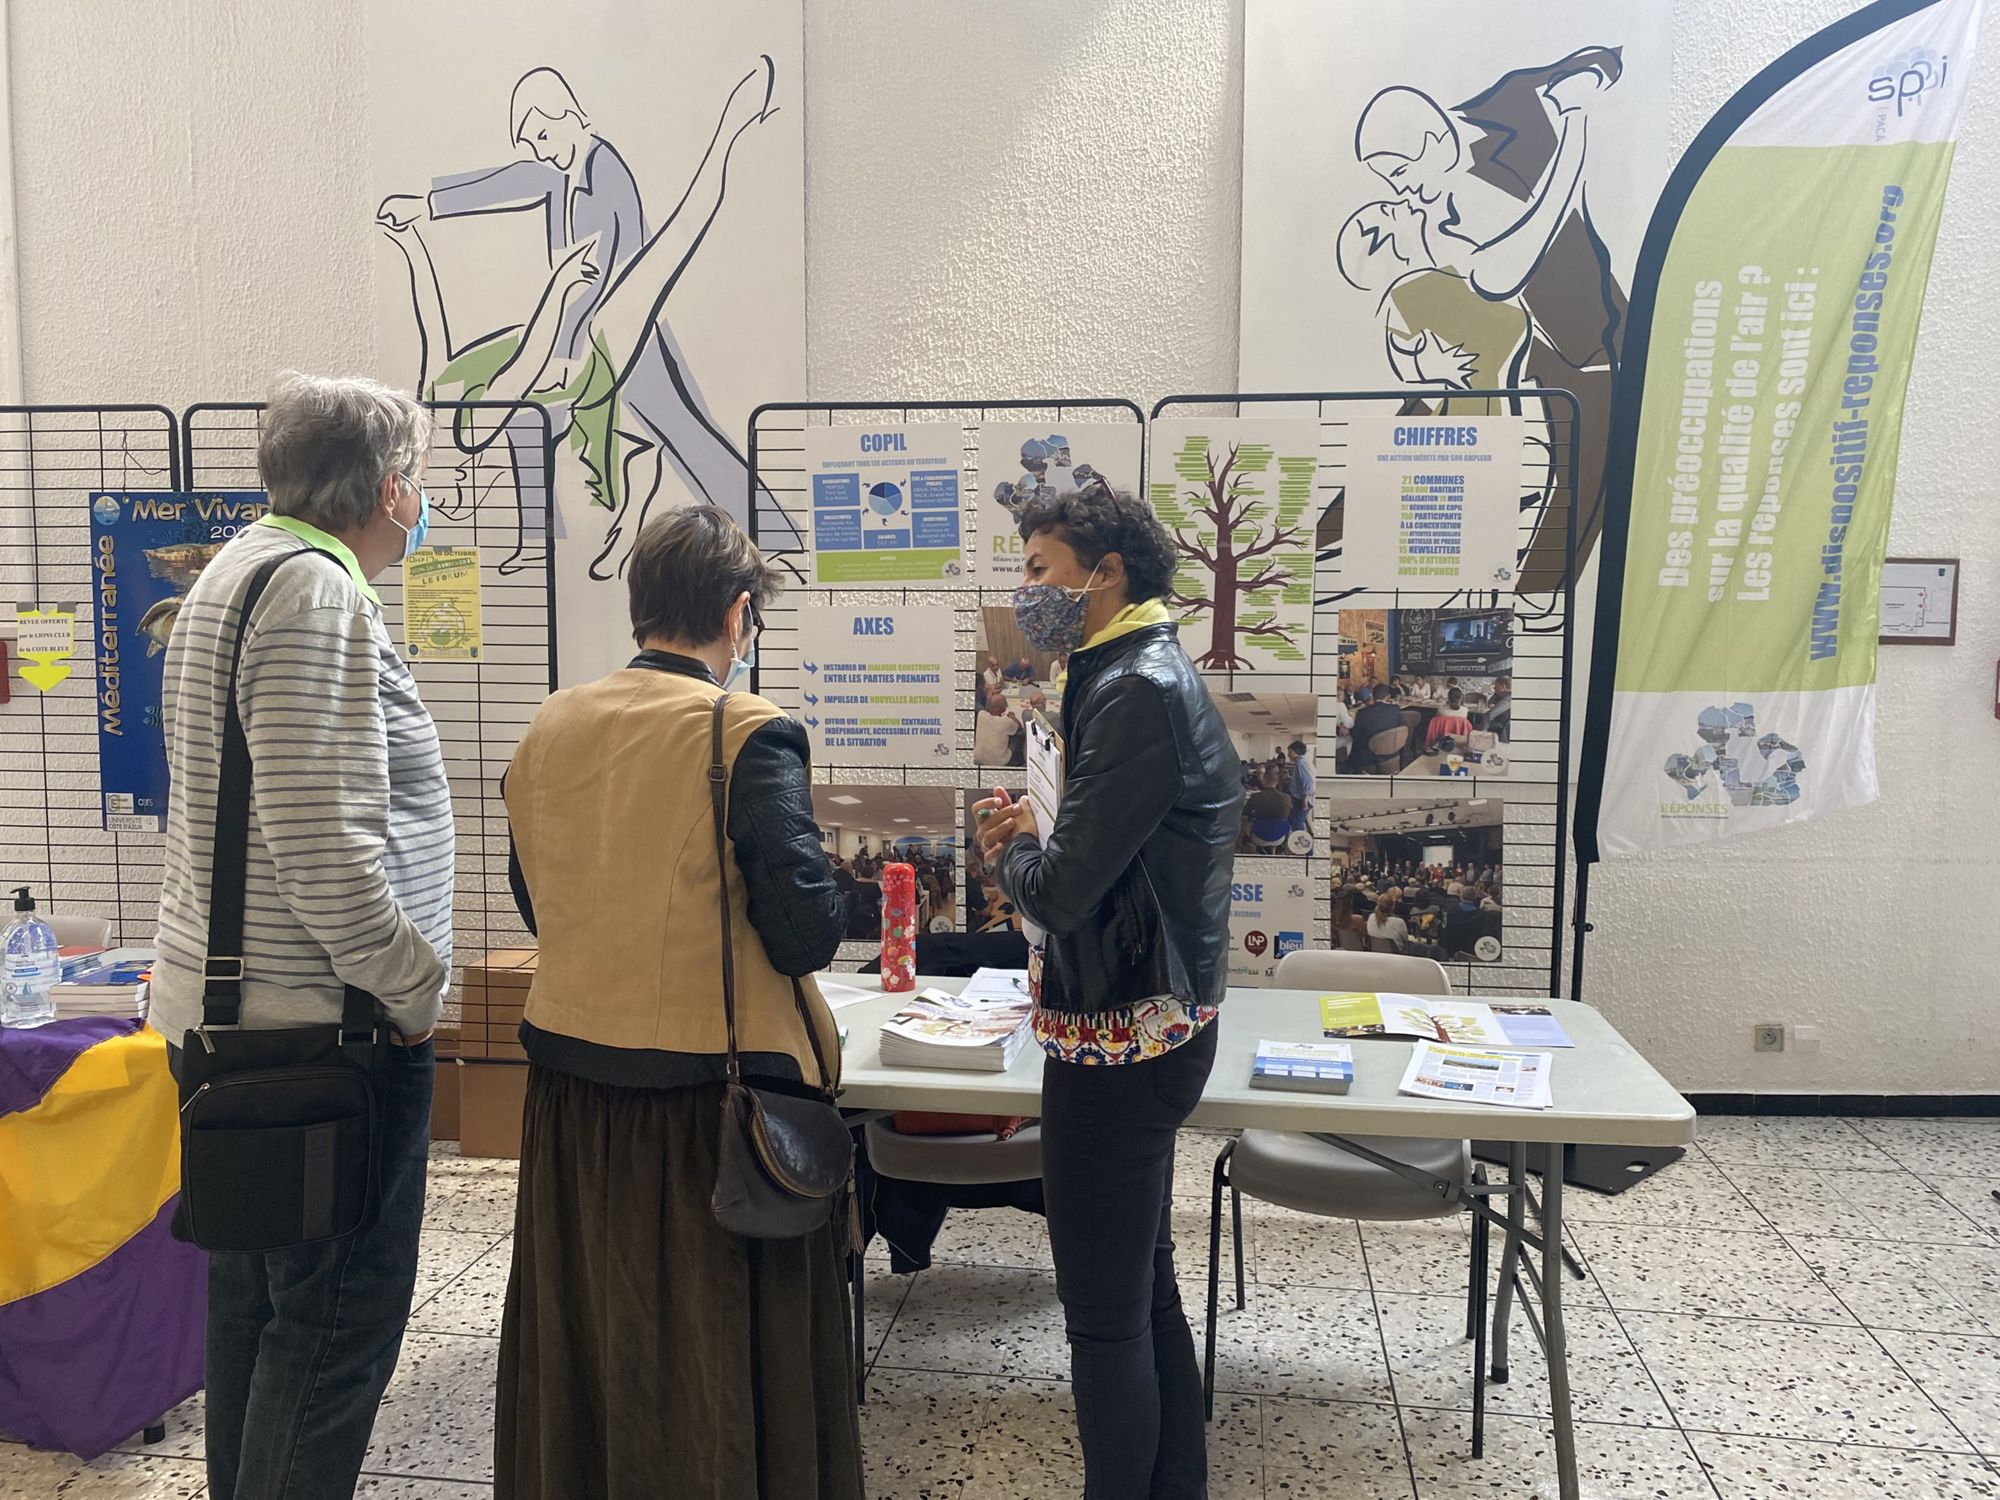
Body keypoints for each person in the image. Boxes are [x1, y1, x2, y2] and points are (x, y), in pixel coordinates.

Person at [496, 506, 860, 1498]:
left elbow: (539, 898)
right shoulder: (747, 732)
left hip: (572, 1093)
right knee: (713, 1353)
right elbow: (801, 932)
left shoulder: (552, 723)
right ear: (738, 614)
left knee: (596, 1334)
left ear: (640, 604)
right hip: (713, 1109)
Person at [151, 373, 452, 1500]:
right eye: (416, 478)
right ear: (385, 485)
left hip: (238, 1026)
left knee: (260, 1315)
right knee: (332, 1329)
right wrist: (411, 987)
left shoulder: (235, 570)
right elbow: (324, 847)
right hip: (324, 1036)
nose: (419, 503)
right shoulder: (315, 594)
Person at [975, 486, 1241, 1500]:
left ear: (1106, 573)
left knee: (1100, 1317)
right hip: (1144, 1022)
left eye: (1039, 569)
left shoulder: (1131, 687)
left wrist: (1015, 853)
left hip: (1118, 1041)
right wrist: (1041, 842)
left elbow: (1070, 889)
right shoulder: (1127, 670)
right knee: (1142, 1292)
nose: (1026, 591)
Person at [1349, 689, 1408, 774]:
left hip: (1370, 755)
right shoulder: (1395, 709)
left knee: (1356, 744)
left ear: (1372, 697)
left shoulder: (1362, 712)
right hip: (1393, 749)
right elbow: (1404, 727)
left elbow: (1355, 735)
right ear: (1387, 697)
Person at [974, 689, 1024, 766]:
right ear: (1001, 708)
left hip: (977, 758)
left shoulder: (981, 715)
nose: (1006, 707)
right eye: (1005, 706)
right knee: (1019, 736)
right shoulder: (1006, 722)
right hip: (998, 762)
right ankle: (1017, 761)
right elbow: (1019, 728)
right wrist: (1012, 717)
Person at [1284, 739, 1316, 834]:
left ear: (1297, 752)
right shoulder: (1303, 761)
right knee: (1293, 820)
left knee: (1297, 824)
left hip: (1302, 799)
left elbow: (1307, 782)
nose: (1288, 754)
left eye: (1290, 752)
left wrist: (1304, 800)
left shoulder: (1301, 762)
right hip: (1300, 797)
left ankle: (1302, 846)